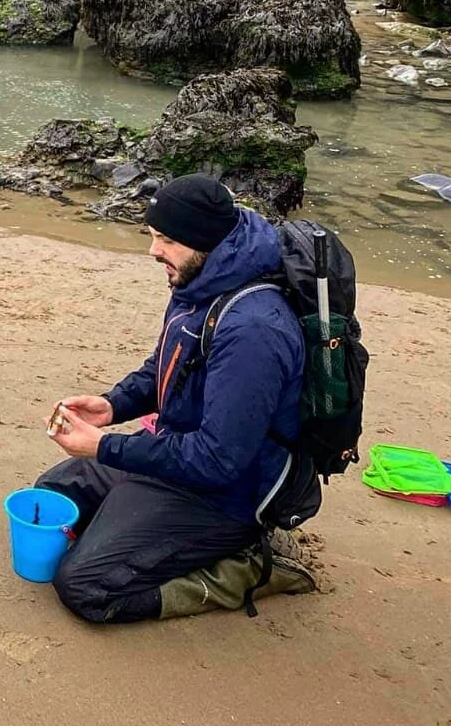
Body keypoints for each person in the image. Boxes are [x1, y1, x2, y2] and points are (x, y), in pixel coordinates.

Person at [37, 175, 319, 623]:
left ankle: (249, 568)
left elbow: (218, 461)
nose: (154, 251)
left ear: (205, 240)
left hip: (224, 496)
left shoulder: (253, 330)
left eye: (167, 239)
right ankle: (139, 529)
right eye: (153, 236)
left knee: (84, 587)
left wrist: (105, 447)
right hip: (176, 457)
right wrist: (113, 405)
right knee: (56, 491)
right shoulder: (199, 281)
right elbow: (167, 367)